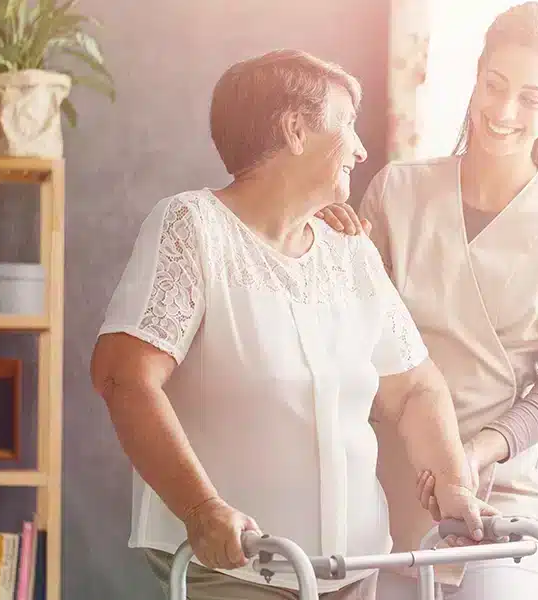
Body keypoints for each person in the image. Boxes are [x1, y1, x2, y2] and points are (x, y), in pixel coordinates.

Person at [89, 49, 494, 600]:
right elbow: (124, 377)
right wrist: (202, 510)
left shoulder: (348, 252)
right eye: (347, 124)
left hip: (354, 565)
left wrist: (452, 484)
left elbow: (415, 386)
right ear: (296, 130)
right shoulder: (193, 227)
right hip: (234, 567)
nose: (361, 147)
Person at [317, 3, 538, 598]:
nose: (503, 112)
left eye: (530, 98)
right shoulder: (398, 191)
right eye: (495, 86)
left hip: (498, 497)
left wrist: (475, 454)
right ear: (475, 79)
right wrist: (321, 243)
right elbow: (349, 335)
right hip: (388, 489)